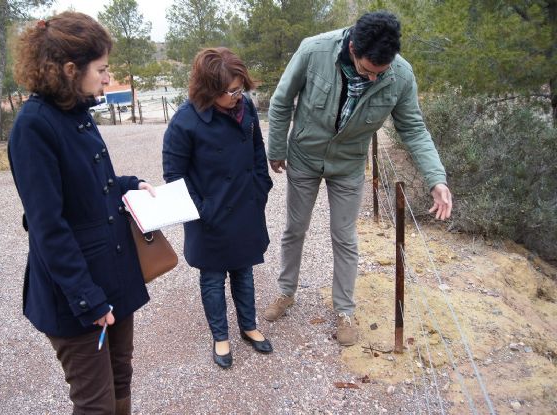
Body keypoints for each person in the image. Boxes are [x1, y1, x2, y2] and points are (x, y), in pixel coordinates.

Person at [263, 11, 453, 346]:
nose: (370, 79)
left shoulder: (401, 76)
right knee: (295, 229)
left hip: (349, 164)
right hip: (305, 157)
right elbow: (280, 102)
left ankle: (344, 310)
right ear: (352, 47)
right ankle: (285, 292)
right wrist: (276, 149)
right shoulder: (313, 50)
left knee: (345, 237)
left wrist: (437, 179)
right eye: (366, 70)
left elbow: (413, 130)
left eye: (379, 74)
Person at [8, 12, 154, 415]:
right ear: (71, 69)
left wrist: (128, 183)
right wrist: (88, 299)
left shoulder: (76, 110)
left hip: (113, 274)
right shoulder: (34, 126)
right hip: (76, 293)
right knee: (94, 406)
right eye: (103, 69)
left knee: (121, 379)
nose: (108, 79)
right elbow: (47, 226)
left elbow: (89, 184)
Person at [162, 47, 274, 369]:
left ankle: (249, 326)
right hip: (209, 216)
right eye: (232, 91)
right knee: (212, 278)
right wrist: (201, 210)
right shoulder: (185, 122)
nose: (239, 96)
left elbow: (256, 149)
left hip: (244, 205)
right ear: (209, 89)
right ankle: (220, 336)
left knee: (244, 270)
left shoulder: (246, 107)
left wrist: (260, 186)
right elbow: (174, 175)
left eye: (241, 88)